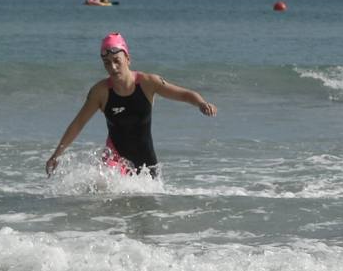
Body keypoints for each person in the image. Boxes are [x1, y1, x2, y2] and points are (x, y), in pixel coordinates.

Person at [44, 32, 216, 177]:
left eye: (117, 60)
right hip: (114, 161)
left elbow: (185, 94)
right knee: (105, 200)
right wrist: (55, 155)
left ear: (128, 58)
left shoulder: (148, 83)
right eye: (107, 63)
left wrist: (201, 103)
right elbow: (78, 124)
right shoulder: (100, 92)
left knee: (150, 210)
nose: (112, 66)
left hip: (146, 162)